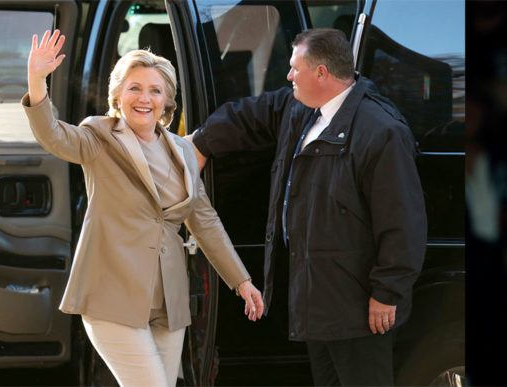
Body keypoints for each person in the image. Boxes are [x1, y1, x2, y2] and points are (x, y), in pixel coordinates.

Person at [23, 30, 264, 387]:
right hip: (112, 298)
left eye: (155, 90)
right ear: (118, 95)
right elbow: (54, 135)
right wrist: (37, 80)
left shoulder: (182, 150)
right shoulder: (99, 136)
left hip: (168, 302)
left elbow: (204, 220)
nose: (144, 98)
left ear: (167, 102)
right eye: (134, 88)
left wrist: (241, 280)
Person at [188, 28, 426, 386]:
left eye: (294, 68)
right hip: (318, 301)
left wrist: (387, 292)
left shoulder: (381, 131)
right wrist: (201, 143)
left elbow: (403, 221)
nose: (288, 77)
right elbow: (250, 115)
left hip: (358, 306)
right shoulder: (300, 108)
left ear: (321, 74)